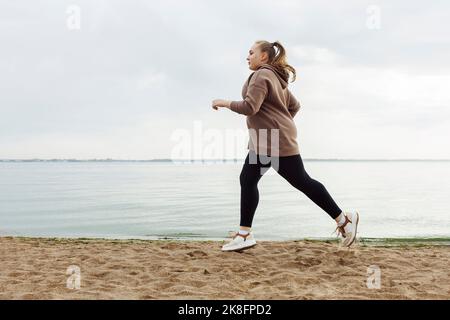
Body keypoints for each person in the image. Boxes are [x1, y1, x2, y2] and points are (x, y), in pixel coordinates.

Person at [212, 40, 359, 252]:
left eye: (251, 52)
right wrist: (280, 123)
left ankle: (344, 220)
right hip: (266, 139)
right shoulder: (275, 78)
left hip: (272, 140)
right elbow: (294, 106)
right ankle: (244, 234)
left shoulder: (262, 75)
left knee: (301, 181)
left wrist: (223, 102)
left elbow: (250, 107)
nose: (247, 56)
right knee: (250, 179)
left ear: (264, 56)